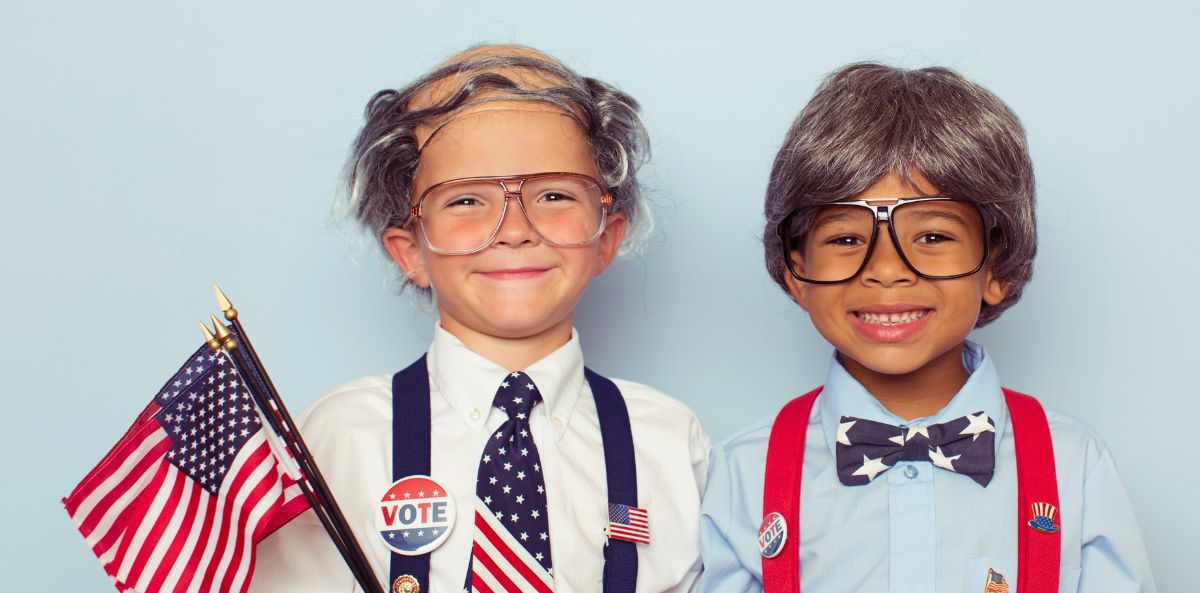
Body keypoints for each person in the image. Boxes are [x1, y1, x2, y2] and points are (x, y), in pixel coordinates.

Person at [251, 44, 709, 593]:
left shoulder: (667, 439)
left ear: (607, 238)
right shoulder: (341, 437)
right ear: (410, 251)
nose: (515, 229)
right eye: (466, 201)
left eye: (555, 194)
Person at [696, 63, 1155, 593]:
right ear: (796, 272)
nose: (887, 269)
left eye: (933, 236)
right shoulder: (744, 471)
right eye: (845, 238)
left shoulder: (1074, 464)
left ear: (997, 270)